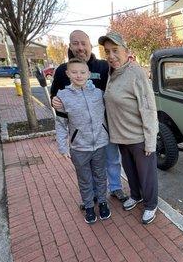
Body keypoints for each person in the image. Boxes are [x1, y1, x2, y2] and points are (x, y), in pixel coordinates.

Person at [51, 30, 128, 206]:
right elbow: (56, 97)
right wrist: (54, 101)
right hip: (82, 133)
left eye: (83, 43)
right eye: (75, 43)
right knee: (90, 167)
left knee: (112, 159)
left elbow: (120, 79)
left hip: (105, 127)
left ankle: (115, 187)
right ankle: (94, 195)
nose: (80, 47)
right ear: (70, 46)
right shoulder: (63, 71)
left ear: (90, 46)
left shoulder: (103, 66)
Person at [99, 31, 159, 225]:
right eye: (107, 51)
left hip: (139, 138)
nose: (111, 55)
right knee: (130, 172)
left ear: (126, 51)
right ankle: (136, 195)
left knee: (146, 176)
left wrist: (150, 141)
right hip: (121, 137)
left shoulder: (136, 73)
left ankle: (150, 205)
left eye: (115, 50)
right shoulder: (112, 72)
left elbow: (148, 108)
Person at [55, 58, 111, 224]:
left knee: (101, 176)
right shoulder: (62, 97)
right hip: (79, 148)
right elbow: (60, 124)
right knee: (85, 179)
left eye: (82, 72)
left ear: (89, 74)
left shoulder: (98, 93)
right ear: (67, 74)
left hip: (100, 144)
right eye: (74, 72)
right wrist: (62, 147)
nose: (78, 75)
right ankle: (88, 206)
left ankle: (102, 202)